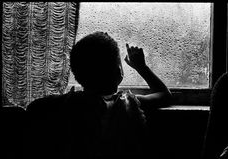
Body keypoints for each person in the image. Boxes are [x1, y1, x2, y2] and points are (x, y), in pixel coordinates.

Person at [24, 31, 172, 158]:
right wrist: (141, 67)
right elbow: (164, 95)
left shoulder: (67, 103)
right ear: (119, 72)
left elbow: (34, 107)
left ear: (77, 73)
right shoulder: (127, 103)